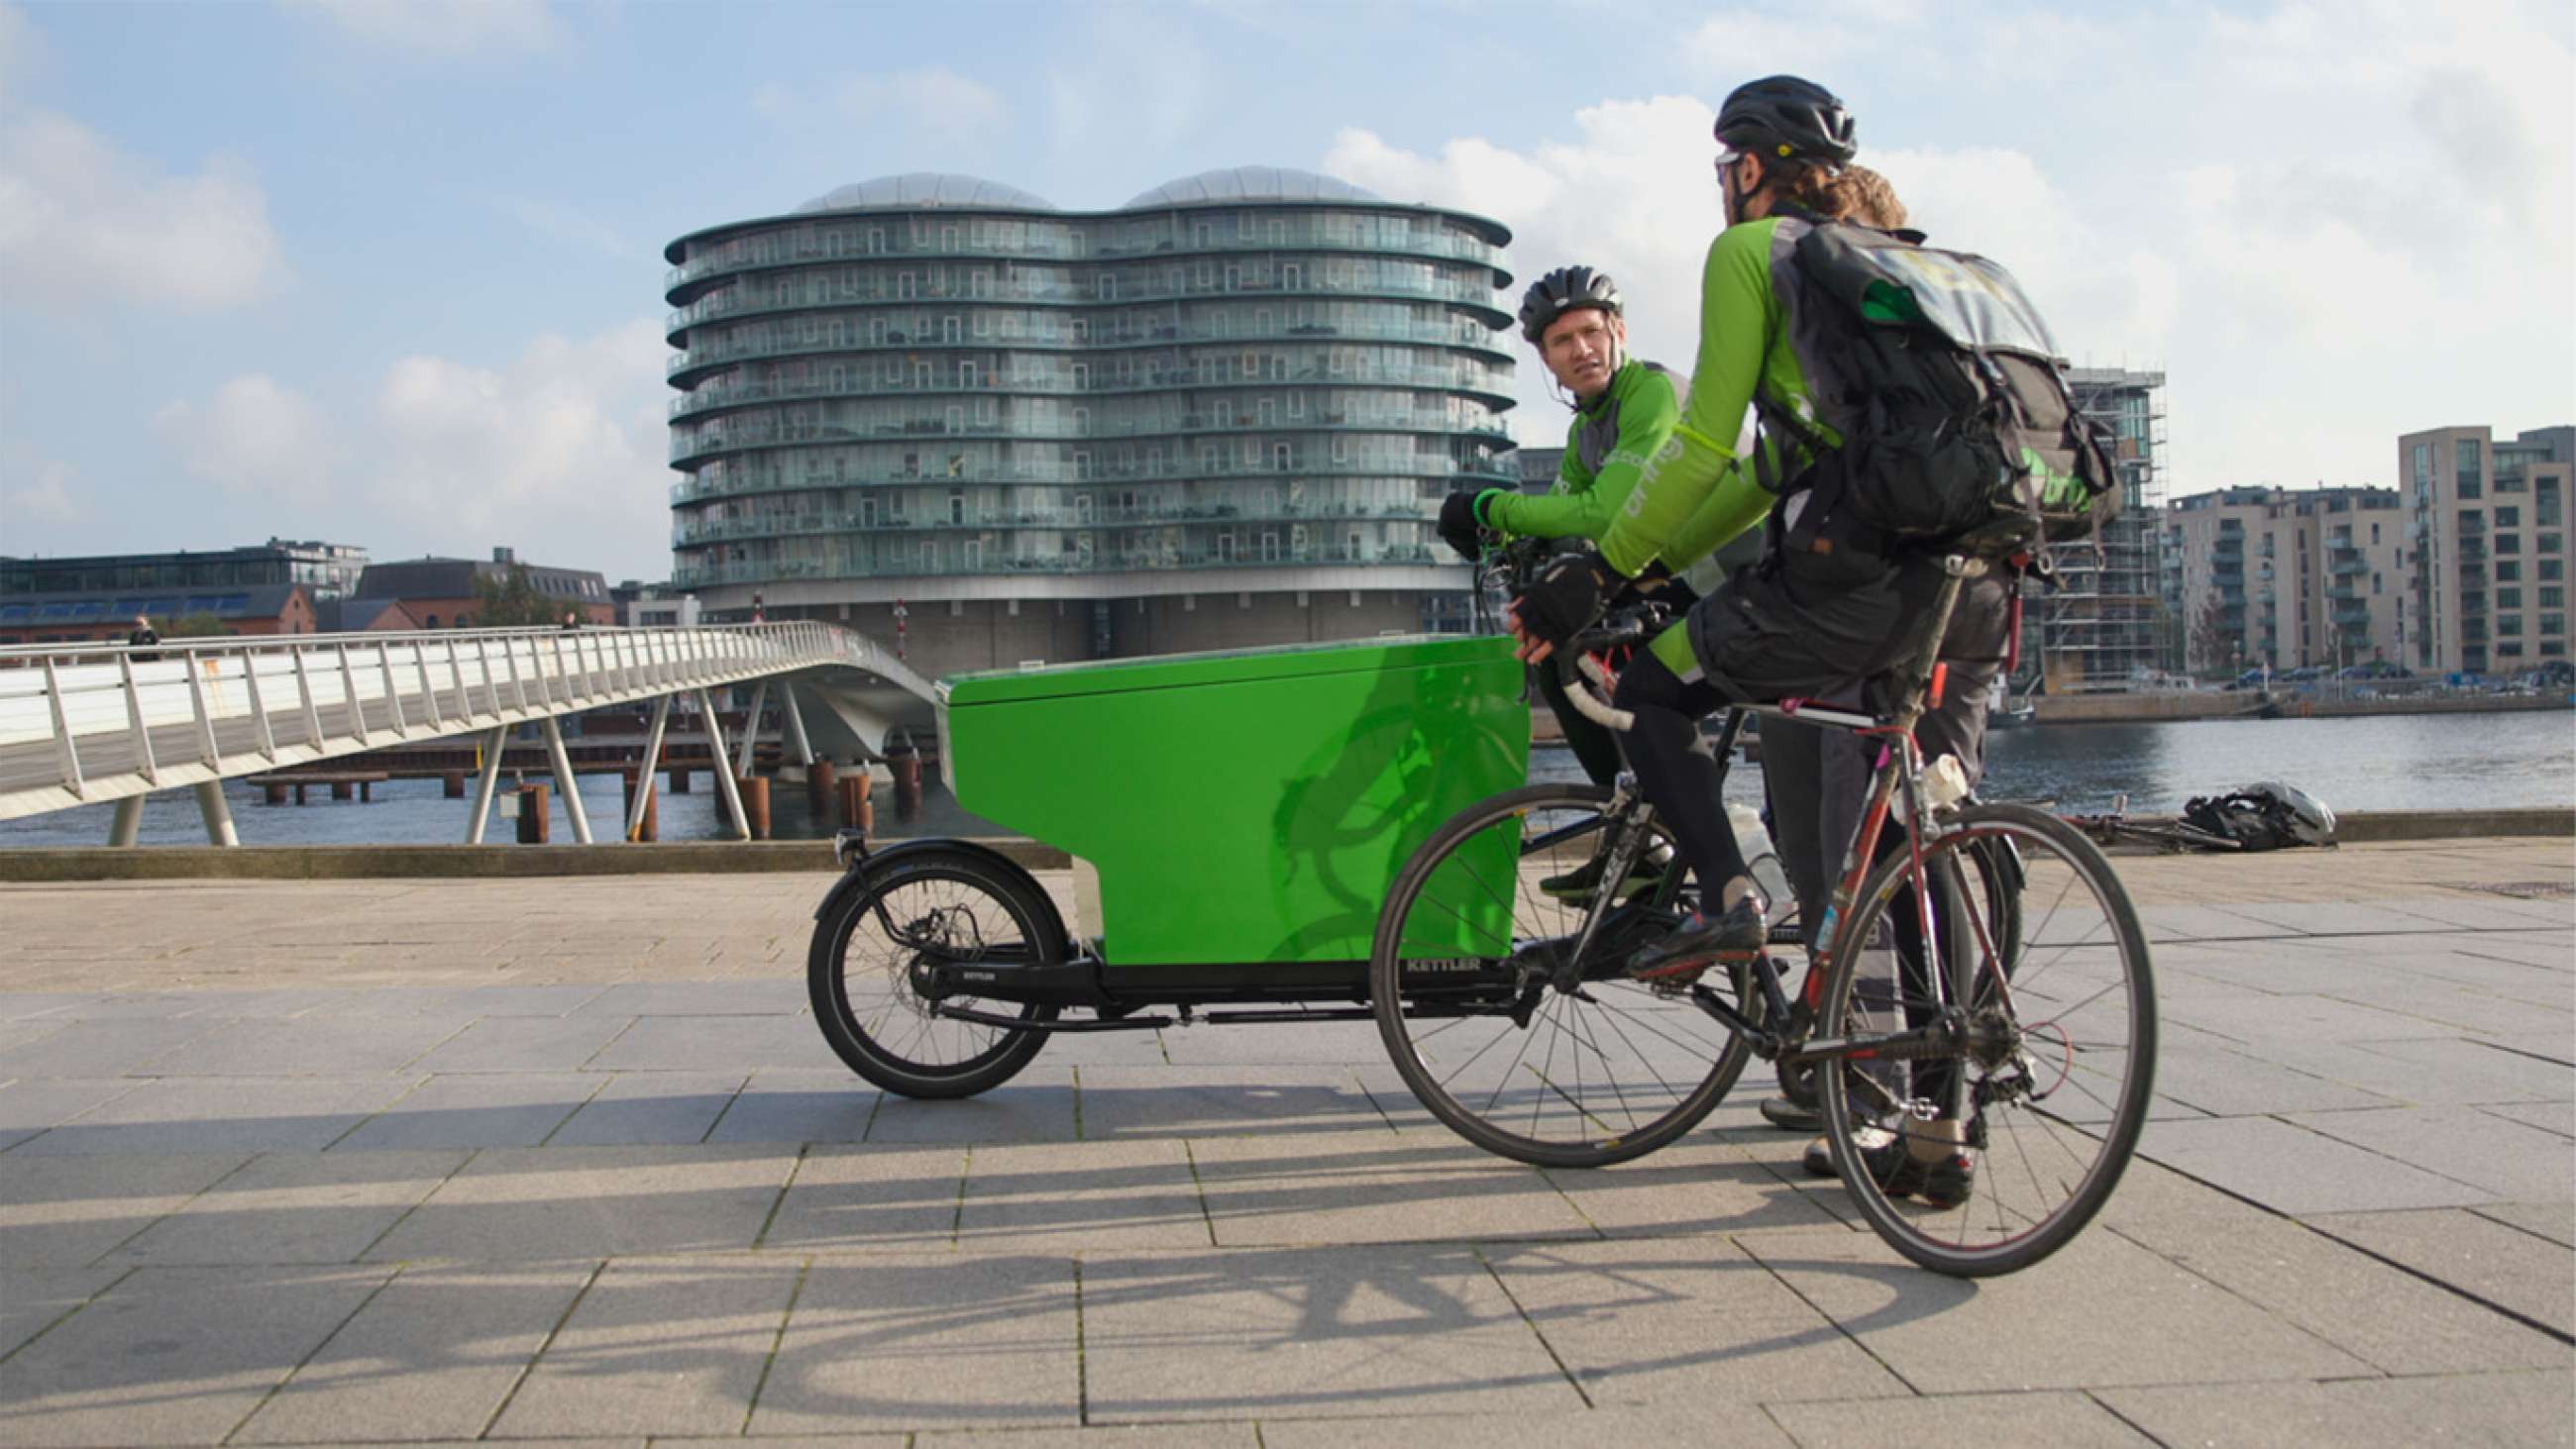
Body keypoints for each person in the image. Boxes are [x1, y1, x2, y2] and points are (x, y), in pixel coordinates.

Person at [1505, 74, 2014, 1207]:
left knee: (1654, 689)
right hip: (1979, 585)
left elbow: (1699, 445)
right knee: (1901, 854)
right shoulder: (1904, 272)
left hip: (1863, 585)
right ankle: (1937, 1124)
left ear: (1746, 167)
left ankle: (1730, 902)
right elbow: (1757, 477)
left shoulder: (1752, 256)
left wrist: (1596, 572)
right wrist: (1638, 561)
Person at [1440, 266, 1689, 798]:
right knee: (1556, 651)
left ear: (1618, 332)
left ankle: (1671, 822)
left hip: (1727, 577)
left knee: (1638, 687)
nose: (1582, 350)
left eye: (1591, 332)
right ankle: (1633, 826)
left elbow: (1603, 515)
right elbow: (1561, 515)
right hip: (1669, 580)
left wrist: (1492, 505)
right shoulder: (1585, 432)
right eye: (1563, 341)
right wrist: (1492, 534)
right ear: (1545, 359)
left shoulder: (1653, 394)